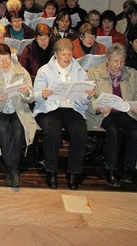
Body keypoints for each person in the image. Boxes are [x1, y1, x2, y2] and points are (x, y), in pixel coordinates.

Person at [33, 38, 94, 190]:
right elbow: (35, 96)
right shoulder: (44, 70)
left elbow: (83, 100)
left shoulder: (79, 70)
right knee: (52, 131)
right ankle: (51, 171)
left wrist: (87, 96)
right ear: (56, 54)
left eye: (69, 54)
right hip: (49, 108)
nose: (67, 58)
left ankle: (73, 172)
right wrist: (43, 94)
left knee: (80, 132)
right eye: (63, 54)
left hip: (72, 108)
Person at [86, 43, 137, 187]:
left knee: (135, 132)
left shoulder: (132, 73)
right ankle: (110, 169)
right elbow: (88, 97)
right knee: (114, 132)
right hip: (105, 113)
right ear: (107, 60)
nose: (119, 65)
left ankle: (128, 168)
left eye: (122, 61)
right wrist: (98, 107)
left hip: (126, 111)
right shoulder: (94, 73)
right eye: (115, 61)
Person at [0, 44, 36, 188]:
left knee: (18, 131)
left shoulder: (21, 72)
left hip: (18, 109)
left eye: (7, 59)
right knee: (4, 131)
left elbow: (30, 98)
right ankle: (13, 170)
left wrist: (25, 92)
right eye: (1, 61)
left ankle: (10, 168)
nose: (5, 63)